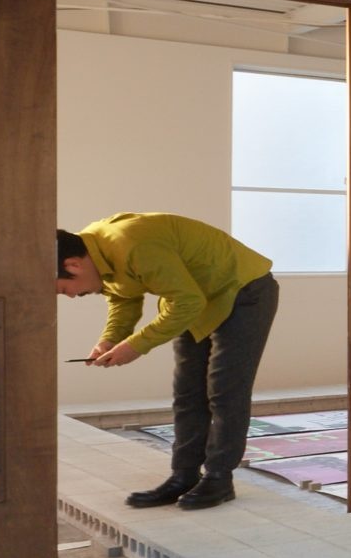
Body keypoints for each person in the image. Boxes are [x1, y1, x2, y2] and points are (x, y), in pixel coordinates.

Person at [56, 214, 278, 511]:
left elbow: (186, 302)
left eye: (63, 290)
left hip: (241, 289)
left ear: (73, 265)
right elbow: (123, 296)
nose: (71, 296)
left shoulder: (132, 245)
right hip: (192, 296)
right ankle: (184, 475)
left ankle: (219, 478)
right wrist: (111, 339)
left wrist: (136, 345)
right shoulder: (94, 246)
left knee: (225, 389)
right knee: (187, 391)